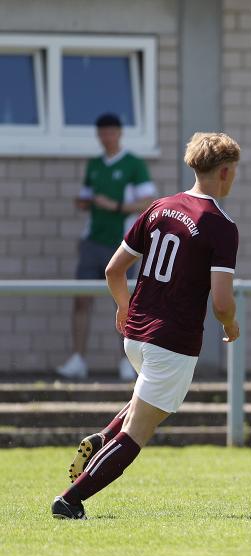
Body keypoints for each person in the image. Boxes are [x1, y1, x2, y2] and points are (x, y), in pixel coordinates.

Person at [52, 132, 242, 519]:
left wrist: (124, 308)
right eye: (235, 170)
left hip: (136, 335)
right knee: (137, 435)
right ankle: (71, 500)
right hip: (173, 341)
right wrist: (232, 325)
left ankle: (102, 437)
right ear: (224, 172)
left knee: (142, 402)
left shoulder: (160, 208)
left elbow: (113, 270)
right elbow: (221, 302)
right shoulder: (221, 225)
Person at [56, 113, 158, 380]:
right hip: (93, 241)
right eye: (102, 133)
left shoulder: (134, 164)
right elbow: (89, 197)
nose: (106, 137)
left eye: (110, 132)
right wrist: (85, 202)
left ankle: (127, 361)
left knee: (128, 301)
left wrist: (115, 206)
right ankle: (78, 359)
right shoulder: (94, 165)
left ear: (119, 133)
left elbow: (149, 202)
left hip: (123, 244)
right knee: (81, 299)